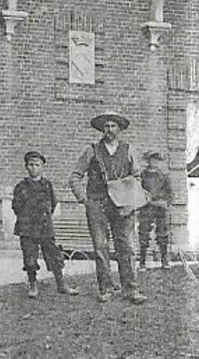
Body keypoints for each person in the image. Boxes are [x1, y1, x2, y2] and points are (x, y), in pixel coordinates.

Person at [69, 112, 147, 304]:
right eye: (106, 126)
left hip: (124, 206)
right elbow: (74, 177)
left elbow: (137, 178)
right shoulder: (92, 151)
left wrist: (132, 202)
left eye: (113, 126)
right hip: (98, 205)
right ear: (101, 129)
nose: (109, 130)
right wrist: (84, 198)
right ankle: (106, 289)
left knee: (127, 248)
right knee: (100, 247)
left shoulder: (129, 150)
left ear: (119, 129)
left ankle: (131, 289)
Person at [11, 151, 79, 299]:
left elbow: (53, 203)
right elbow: (16, 206)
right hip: (27, 227)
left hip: (45, 226)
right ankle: (33, 284)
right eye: (31, 164)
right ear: (26, 167)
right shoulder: (21, 186)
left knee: (54, 255)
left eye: (37, 165)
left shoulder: (47, 185)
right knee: (29, 257)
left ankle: (61, 284)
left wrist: (44, 216)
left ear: (42, 167)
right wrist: (28, 217)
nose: (34, 167)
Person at [136, 150, 174, 269]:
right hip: (146, 208)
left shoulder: (163, 176)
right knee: (143, 235)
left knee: (163, 234)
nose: (155, 162)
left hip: (160, 209)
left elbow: (170, 194)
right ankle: (142, 262)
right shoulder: (142, 176)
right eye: (153, 160)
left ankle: (164, 261)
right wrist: (144, 201)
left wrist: (165, 203)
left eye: (157, 160)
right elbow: (137, 192)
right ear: (148, 161)